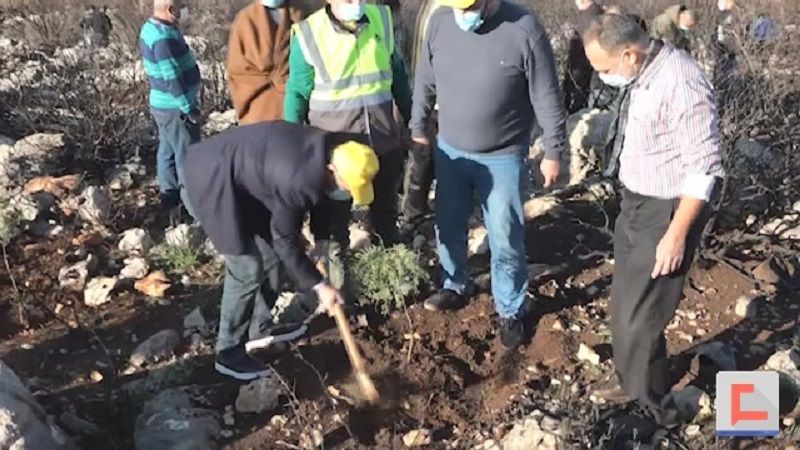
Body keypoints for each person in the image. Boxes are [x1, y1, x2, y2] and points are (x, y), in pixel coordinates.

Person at [582, 14, 724, 428]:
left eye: (604, 69)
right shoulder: (643, 73)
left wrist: (676, 233)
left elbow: (705, 168)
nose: (603, 78)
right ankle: (630, 380)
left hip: (666, 210)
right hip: (637, 203)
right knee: (626, 301)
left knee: (642, 315)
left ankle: (653, 411)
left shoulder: (681, 81)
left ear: (629, 54)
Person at [410, 0, 567, 349]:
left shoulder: (524, 29)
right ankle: (454, 284)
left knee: (505, 233)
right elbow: (424, 77)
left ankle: (510, 307)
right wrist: (418, 124)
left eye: (471, 6)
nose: (464, 14)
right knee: (448, 224)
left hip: (503, 157)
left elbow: (547, 96)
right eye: (458, 7)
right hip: (450, 151)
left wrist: (554, 150)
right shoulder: (440, 23)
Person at [184, 121, 379, 380]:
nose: (348, 192)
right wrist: (320, 286)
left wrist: (321, 242)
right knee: (247, 268)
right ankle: (228, 353)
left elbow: (322, 198)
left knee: (271, 257)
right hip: (212, 178)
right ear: (331, 169)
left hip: (250, 179)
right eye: (348, 185)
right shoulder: (299, 179)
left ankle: (260, 328)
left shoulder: (338, 150)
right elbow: (286, 241)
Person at [284, 0, 412, 292]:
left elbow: (398, 74)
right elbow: (297, 93)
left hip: (381, 138)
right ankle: (340, 289)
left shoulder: (382, 19)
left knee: (385, 212)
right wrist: (292, 141)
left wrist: (413, 119)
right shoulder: (308, 34)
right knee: (334, 222)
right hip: (336, 151)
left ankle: (391, 278)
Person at [139, 0, 201, 217]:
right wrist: (188, 108)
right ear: (169, 10)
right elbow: (172, 78)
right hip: (175, 108)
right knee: (188, 157)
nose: (185, 9)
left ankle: (170, 200)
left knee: (167, 151)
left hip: (162, 105)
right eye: (180, 6)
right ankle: (195, 211)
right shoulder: (163, 39)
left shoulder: (152, 28)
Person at [226, 0, 318, 125]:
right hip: (258, 110)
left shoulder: (303, 14)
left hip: (298, 102)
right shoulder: (245, 20)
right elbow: (238, 70)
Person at [400, 0, 447, 236]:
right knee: (420, 159)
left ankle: (450, 216)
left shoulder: (461, 6)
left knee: (450, 161)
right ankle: (412, 217)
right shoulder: (416, 6)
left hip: (452, 99)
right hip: (420, 93)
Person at [564, 0, 604, 114]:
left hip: (584, 82)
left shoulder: (590, 19)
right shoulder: (597, 15)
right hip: (589, 81)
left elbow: (579, 60)